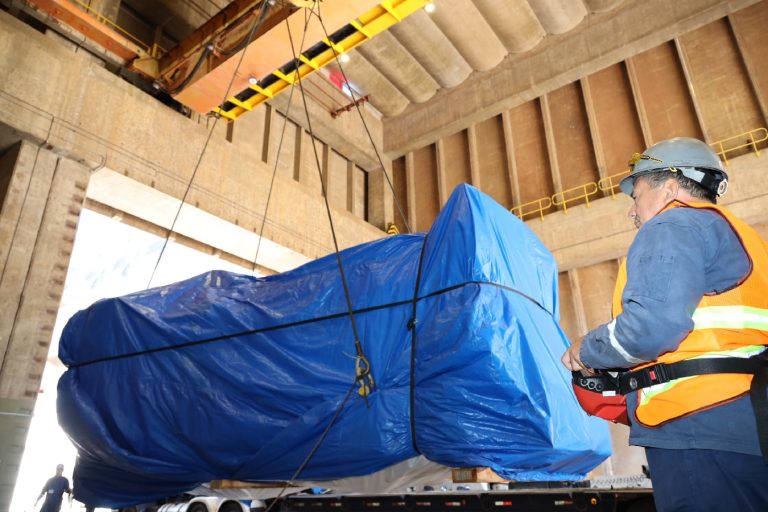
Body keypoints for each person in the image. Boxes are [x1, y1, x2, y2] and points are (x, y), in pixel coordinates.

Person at [561, 137, 768, 511]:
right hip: (746, 421)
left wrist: (585, 350)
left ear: (670, 188)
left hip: (698, 424)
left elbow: (651, 328)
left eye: (636, 195)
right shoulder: (746, 238)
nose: (633, 212)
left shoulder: (672, 223)